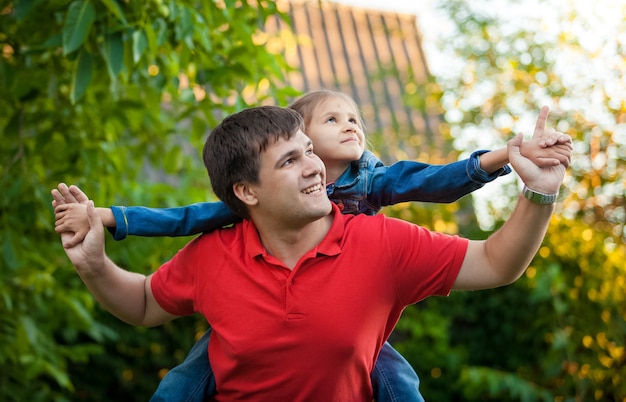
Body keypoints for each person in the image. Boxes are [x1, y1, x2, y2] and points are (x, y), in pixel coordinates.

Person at [54, 90, 572, 402]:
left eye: (308, 152)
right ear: (246, 192)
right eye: (289, 161)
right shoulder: (214, 251)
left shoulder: (381, 241)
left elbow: (497, 261)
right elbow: (145, 302)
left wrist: (538, 189)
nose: (314, 168)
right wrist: (95, 262)